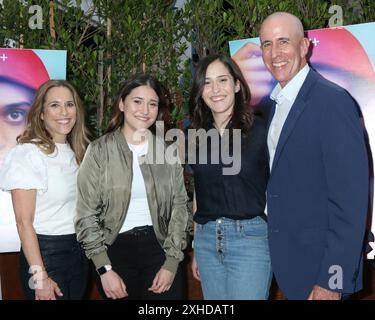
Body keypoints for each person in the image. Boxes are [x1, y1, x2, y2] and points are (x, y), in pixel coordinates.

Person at [259, 12, 369, 299]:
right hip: (291, 263)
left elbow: (351, 201)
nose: (275, 53)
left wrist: (333, 279)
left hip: (322, 270)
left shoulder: (332, 102)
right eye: (267, 44)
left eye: (283, 42)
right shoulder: (271, 106)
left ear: (304, 46)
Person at [74, 74, 191, 300]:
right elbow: (85, 214)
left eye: (152, 103)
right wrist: (103, 269)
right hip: (114, 253)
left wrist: (172, 262)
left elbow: (179, 205)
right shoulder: (99, 151)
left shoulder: (168, 151)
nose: (145, 110)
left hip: (161, 248)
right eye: (137, 101)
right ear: (122, 103)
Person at [188, 54, 272, 300]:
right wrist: (196, 245)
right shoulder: (195, 135)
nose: (215, 89)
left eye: (222, 80)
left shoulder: (261, 128)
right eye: (207, 82)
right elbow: (199, 193)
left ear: (237, 85)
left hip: (250, 240)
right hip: (206, 242)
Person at [0, 80, 90, 299]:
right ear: (41, 114)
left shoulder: (79, 152)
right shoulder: (28, 154)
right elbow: (23, 223)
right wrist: (40, 276)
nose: (64, 112)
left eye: (70, 104)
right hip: (44, 254)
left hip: (79, 252)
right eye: (54, 105)